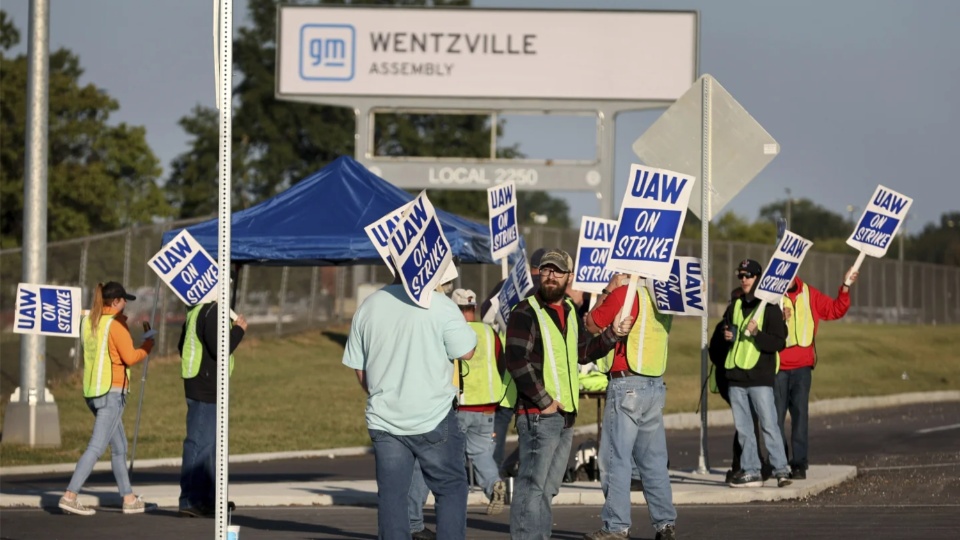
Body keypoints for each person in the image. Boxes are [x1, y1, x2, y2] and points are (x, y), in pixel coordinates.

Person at [504, 249, 634, 540]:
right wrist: (545, 401)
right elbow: (516, 360)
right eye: (546, 270)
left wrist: (613, 334)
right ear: (539, 273)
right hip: (540, 414)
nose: (550, 276)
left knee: (548, 489)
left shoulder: (570, 311)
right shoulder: (525, 311)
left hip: (564, 417)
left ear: (568, 278)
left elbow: (583, 352)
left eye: (557, 272)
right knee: (531, 486)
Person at [343, 268, 477, 540]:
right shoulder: (441, 305)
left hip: (385, 419)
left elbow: (360, 369)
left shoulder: (369, 305)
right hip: (434, 416)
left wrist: (386, 394)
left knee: (393, 496)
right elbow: (466, 351)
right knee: (450, 487)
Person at [582, 273, 677, 540]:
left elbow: (591, 323)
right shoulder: (661, 299)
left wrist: (608, 290)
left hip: (627, 383)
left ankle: (616, 526)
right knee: (654, 460)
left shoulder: (624, 294)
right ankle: (665, 524)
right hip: (655, 383)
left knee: (615, 458)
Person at [59, 281, 155, 516]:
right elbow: (130, 357)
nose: (126, 306)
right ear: (115, 302)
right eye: (124, 301)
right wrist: (148, 344)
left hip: (92, 393)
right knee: (96, 447)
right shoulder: (114, 325)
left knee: (119, 448)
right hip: (111, 393)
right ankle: (70, 495)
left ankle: (129, 498)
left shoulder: (90, 322)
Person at [775, 267, 858, 479]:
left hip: (802, 368)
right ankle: (779, 462)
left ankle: (799, 464)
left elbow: (835, 309)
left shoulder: (810, 294)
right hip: (778, 368)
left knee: (800, 417)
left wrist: (845, 286)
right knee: (774, 419)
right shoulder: (772, 297)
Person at [718, 259, 792, 488]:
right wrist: (726, 334)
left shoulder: (769, 309)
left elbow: (779, 342)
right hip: (736, 377)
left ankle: (781, 469)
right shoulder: (735, 306)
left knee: (769, 425)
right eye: (741, 275)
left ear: (759, 278)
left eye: (748, 275)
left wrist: (757, 334)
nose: (744, 279)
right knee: (744, 429)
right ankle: (751, 470)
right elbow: (727, 330)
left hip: (760, 378)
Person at [176, 298, 248, 517]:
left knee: (211, 447)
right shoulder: (214, 311)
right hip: (206, 387)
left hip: (202, 383)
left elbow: (182, 346)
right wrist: (238, 331)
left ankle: (209, 499)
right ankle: (191, 499)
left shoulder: (196, 310)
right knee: (199, 444)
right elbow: (220, 347)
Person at [451, 287, 508, 515]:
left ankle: (454, 501)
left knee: (452, 456)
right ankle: (493, 483)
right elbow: (501, 364)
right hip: (487, 406)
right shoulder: (488, 333)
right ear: (473, 308)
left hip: (460, 404)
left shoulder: (451, 331)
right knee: (481, 452)